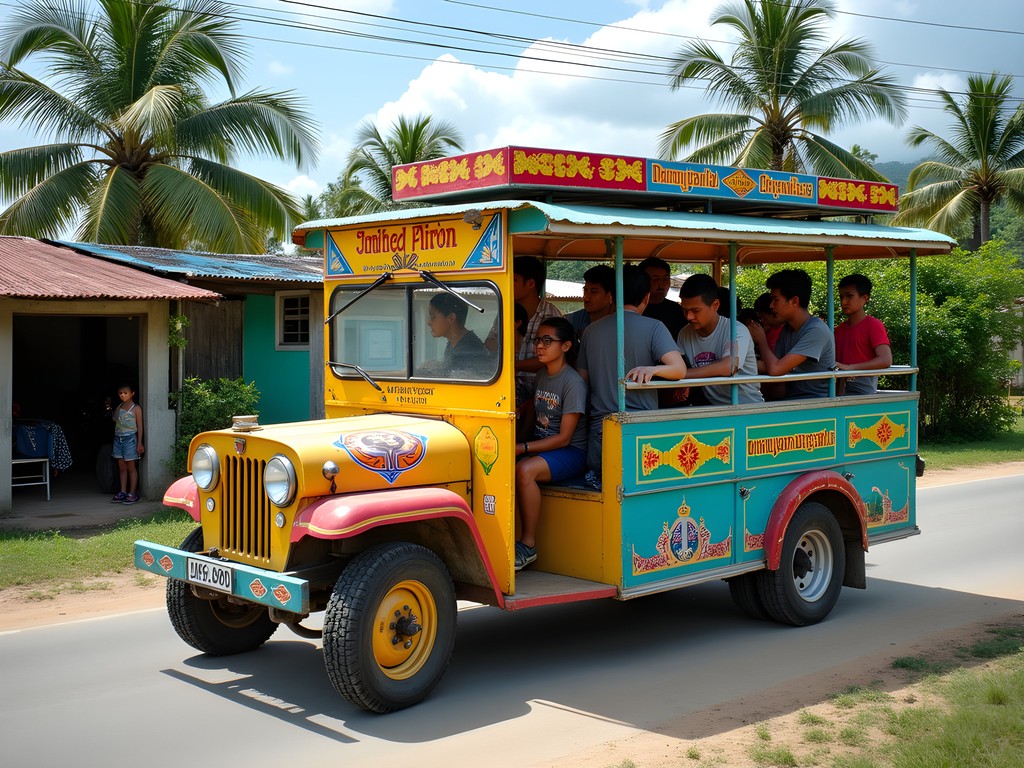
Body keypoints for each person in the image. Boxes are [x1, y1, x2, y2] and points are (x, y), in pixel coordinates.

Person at [577, 265, 687, 480]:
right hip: (642, 434)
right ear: (646, 297)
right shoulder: (655, 327)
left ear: (612, 296)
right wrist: (653, 369)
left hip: (601, 432)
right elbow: (679, 369)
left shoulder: (591, 331)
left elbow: (582, 379)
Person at [513, 317, 588, 570]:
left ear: (565, 346)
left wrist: (522, 449)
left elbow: (564, 438)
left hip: (570, 452)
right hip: (543, 446)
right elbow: (534, 415)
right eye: (537, 340)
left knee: (525, 470)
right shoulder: (542, 375)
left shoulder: (573, 383)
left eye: (548, 341)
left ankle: (528, 545)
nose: (540, 346)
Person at [747, 269, 835, 399]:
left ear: (794, 301)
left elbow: (775, 369)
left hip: (813, 402)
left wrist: (762, 340)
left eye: (775, 300)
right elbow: (773, 364)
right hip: (790, 398)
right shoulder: (788, 328)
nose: (771, 306)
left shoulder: (816, 331)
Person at [677, 274, 763, 405]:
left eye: (695, 311)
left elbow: (729, 367)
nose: (688, 317)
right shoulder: (684, 334)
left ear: (715, 305)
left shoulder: (736, 330)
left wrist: (681, 374)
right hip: (714, 410)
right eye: (684, 310)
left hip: (747, 409)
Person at [487, 256, 563, 395]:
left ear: (530, 283)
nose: (508, 283)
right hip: (507, 390)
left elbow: (552, 358)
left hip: (543, 391)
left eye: (514, 279)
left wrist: (511, 365)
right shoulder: (505, 312)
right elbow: (489, 346)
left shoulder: (552, 315)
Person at [835, 273, 892, 395]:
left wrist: (850, 368)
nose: (844, 302)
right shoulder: (838, 330)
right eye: (841, 297)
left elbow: (885, 360)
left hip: (862, 389)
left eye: (849, 296)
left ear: (865, 298)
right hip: (839, 389)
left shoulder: (873, 325)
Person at [426, 292, 492, 378]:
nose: (429, 322)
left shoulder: (468, 351)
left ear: (451, 318)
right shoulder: (454, 344)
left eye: (433, 317)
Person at [108, 384, 144, 503]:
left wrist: (139, 443)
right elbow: (114, 419)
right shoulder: (120, 406)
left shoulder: (136, 408)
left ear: (132, 393)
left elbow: (140, 427)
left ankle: (132, 493)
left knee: (131, 468)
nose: (122, 395)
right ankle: (123, 491)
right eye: (120, 393)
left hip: (130, 440)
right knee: (122, 468)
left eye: (125, 393)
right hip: (118, 439)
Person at [565, 264, 615, 345]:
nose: (586, 298)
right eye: (585, 291)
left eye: (594, 292)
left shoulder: (621, 323)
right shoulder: (572, 321)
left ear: (610, 295)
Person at [639, 256, 686, 338]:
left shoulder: (677, 311)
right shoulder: (636, 310)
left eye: (665, 279)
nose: (661, 285)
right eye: (655, 280)